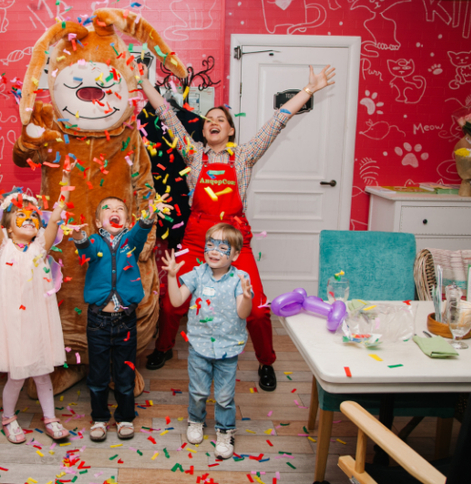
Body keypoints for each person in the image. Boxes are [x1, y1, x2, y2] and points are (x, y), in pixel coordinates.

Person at [140, 64, 336, 392]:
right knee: (172, 304)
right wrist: (142, 82)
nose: (213, 122)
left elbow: (277, 121)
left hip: (234, 243)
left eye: (220, 119)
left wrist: (309, 90)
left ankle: (266, 361)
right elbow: (166, 113)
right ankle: (164, 347)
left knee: (257, 310)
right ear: (203, 130)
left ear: (230, 130)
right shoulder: (193, 155)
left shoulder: (244, 156)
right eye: (208, 120)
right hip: (196, 239)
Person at [0, 158, 70, 444]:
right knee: (17, 377)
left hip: (39, 322)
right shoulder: (3, 246)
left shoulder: (40, 248)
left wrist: (66, 183)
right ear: (9, 228)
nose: (30, 219)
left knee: (43, 375)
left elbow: (55, 218)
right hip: (13, 324)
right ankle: (9, 418)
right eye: (21, 215)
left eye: (33, 216)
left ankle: (50, 418)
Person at [73, 194, 170, 441]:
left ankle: (125, 417)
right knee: (97, 375)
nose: (114, 210)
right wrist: (79, 238)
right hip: (98, 322)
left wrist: (149, 215)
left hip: (125, 321)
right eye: (108, 208)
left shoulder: (130, 242)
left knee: (125, 375)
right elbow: (87, 252)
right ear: (98, 222)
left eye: (120, 209)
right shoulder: (94, 241)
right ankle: (99, 418)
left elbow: (141, 231)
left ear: (127, 221)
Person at [162, 223, 253, 459]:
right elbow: (176, 301)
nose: (214, 251)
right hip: (199, 346)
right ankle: (196, 421)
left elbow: (242, 313)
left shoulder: (240, 279)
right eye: (210, 245)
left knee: (224, 396)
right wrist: (171, 276)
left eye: (223, 248)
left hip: (228, 348)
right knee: (198, 391)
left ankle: (225, 431)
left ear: (235, 255)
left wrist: (246, 297)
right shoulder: (197, 274)